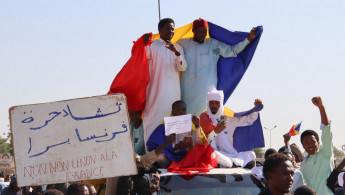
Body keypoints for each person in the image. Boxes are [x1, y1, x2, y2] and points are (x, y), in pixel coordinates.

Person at [178, 18, 257, 116]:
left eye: (205, 32)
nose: (203, 35)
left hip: (206, 91)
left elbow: (232, 51)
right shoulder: (182, 44)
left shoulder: (212, 44)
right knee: (186, 117)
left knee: (206, 117)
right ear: (193, 31)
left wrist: (248, 39)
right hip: (187, 90)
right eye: (200, 32)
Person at [142, 18, 187, 144]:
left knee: (173, 123)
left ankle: (172, 156)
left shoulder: (178, 48)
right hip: (155, 92)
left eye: (172, 29)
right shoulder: (152, 45)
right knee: (153, 121)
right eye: (168, 28)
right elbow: (141, 58)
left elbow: (182, 67)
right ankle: (150, 155)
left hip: (173, 93)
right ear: (160, 30)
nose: (171, 31)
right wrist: (144, 44)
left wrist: (177, 53)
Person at [199, 86, 263, 168]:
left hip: (231, 153)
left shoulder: (228, 117)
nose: (213, 106)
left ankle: (232, 163)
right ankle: (232, 164)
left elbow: (248, 120)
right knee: (213, 154)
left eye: (216, 103)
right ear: (208, 103)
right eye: (211, 102)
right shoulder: (204, 118)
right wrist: (215, 132)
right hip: (215, 154)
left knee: (251, 154)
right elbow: (203, 142)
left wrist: (256, 109)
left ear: (221, 104)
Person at [146, 100, 206, 168]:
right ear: (172, 112)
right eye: (178, 110)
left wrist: (197, 126)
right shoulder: (164, 126)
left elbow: (200, 143)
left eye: (183, 110)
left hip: (184, 156)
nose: (181, 112)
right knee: (160, 158)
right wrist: (173, 146)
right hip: (167, 154)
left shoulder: (191, 124)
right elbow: (152, 145)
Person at [300, 96, 334, 195]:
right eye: (306, 143)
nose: (310, 145)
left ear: (318, 143)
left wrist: (321, 107)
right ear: (303, 146)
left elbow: (326, 128)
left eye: (312, 141)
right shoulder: (303, 165)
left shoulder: (326, 154)